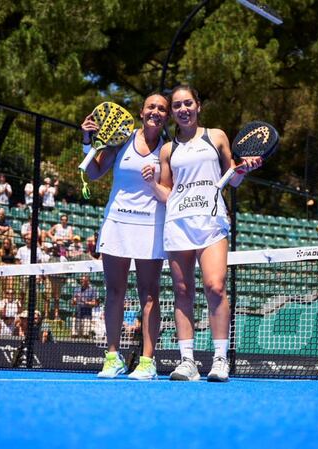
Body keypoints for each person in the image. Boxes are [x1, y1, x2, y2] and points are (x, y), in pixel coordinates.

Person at [143, 85, 262, 382]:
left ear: (198, 105)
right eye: (177, 106)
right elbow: (168, 194)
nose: (183, 109)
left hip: (211, 222)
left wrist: (245, 169)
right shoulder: (169, 149)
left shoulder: (217, 136)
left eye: (188, 104)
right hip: (178, 223)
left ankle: (220, 359)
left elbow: (232, 180)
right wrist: (152, 184)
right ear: (173, 112)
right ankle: (188, 362)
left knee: (215, 286)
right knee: (182, 292)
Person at [81, 92, 169, 380]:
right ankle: (112, 357)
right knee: (114, 292)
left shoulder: (168, 150)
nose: (155, 111)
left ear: (166, 116)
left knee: (149, 294)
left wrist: (154, 181)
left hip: (151, 227)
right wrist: (86, 140)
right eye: (151, 107)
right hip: (117, 222)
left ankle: (147, 361)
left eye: (161, 108)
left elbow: (170, 191)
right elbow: (94, 173)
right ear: (141, 112)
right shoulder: (121, 140)